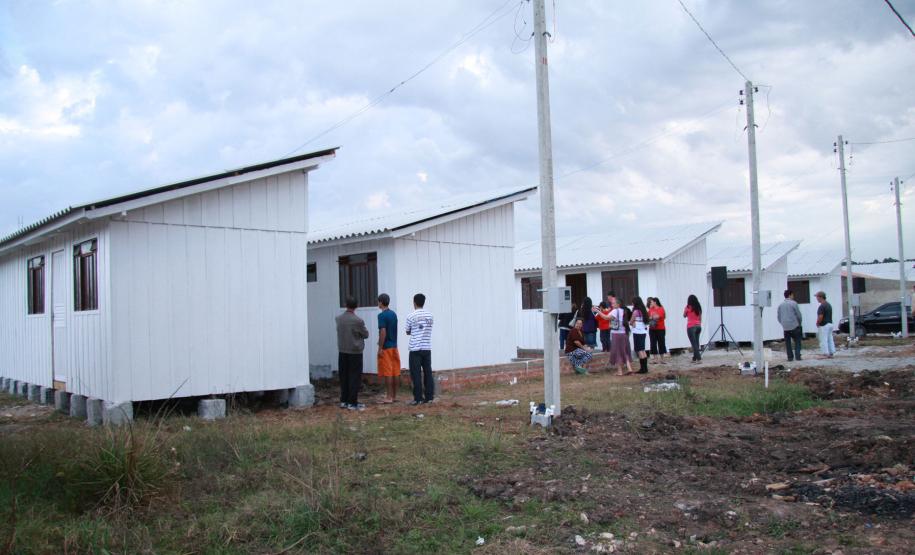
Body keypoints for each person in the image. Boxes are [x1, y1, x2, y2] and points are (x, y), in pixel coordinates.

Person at [336, 295, 370, 410]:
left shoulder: (339, 319)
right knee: (354, 376)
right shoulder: (358, 321)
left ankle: (344, 400)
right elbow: (366, 334)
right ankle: (352, 402)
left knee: (343, 376)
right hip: (355, 352)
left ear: (346, 305)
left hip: (342, 350)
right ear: (356, 306)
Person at [405, 293, 434, 405]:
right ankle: (429, 397)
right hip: (427, 347)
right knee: (428, 372)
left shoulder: (411, 316)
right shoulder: (430, 315)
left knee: (416, 374)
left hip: (415, 348)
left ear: (414, 302)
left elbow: (408, 331)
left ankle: (418, 398)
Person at [376, 293, 401, 403]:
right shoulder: (393, 314)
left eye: (378, 301)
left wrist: (380, 348)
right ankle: (394, 396)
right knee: (395, 371)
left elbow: (383, 331)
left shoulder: (381, 316)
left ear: (381, 302)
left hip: (386, 347)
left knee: (388, 372)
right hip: (394, 346)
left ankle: (389, 397)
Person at [777, 289, 803, 362]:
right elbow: (798, 315)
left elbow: (779, 317)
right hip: (794, 325)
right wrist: (799, 323)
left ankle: (790, 357)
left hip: (785, 327)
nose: (793, 296)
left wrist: (783, 323)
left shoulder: (781, 305)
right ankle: (798, 356)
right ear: (790, 295)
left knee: (788, 342)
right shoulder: (794, 303)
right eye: (792, 295)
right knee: (797, 340)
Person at [608, 297, 633, 376]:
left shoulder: (615, 311)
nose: (612, 305)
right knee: (624, 351)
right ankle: (629, 368)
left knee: (617, 352)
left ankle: (620, 371)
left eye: (613, 303)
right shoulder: (624, 310)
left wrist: (598, 311)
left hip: (617, 334)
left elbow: (606, 317)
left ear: (618, 304)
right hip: (624, 333)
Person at [630, 296, 650, 374]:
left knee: (639, 350)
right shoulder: (643, 310)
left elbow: (631, 321)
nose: (632, 303)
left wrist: (632, 323)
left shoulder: (636, 311)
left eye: (632, 302)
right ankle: (645, 368)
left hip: (637, 332)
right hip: (643, 332)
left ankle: (642, 369)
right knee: (643, 350)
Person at [815, 291, 835, 358]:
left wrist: (818, 323)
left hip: (824, 324)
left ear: (820, 297)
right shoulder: (828, 305)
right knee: (830, 339)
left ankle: (825, 353)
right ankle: (831, 351)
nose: (816, 299)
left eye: (817, 297)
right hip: (830, 323)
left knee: (823, 339)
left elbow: (820, 316)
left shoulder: (822, 306)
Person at [648, 297, 668, 363]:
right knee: (653, 343)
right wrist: (652, 316)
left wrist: (652, 316)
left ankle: (662, 359)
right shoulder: (650, 309)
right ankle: (655, 359)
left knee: (661, 343)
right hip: (652, 328)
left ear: (655, 302)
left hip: (660, 328)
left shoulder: (661, 308)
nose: (650, 303)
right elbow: (648, 317)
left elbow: (658, 316)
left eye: (651, 302)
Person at [684, 294, 703, 363]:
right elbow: (700, 318)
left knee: (694, 344)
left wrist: (687, 312)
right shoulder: (698, 307)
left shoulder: (688, 307)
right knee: (697, 343)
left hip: (691, 327)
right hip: (698, 326)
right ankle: (694, 358)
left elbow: (684, 315)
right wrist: (699, 324)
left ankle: (699, 359)